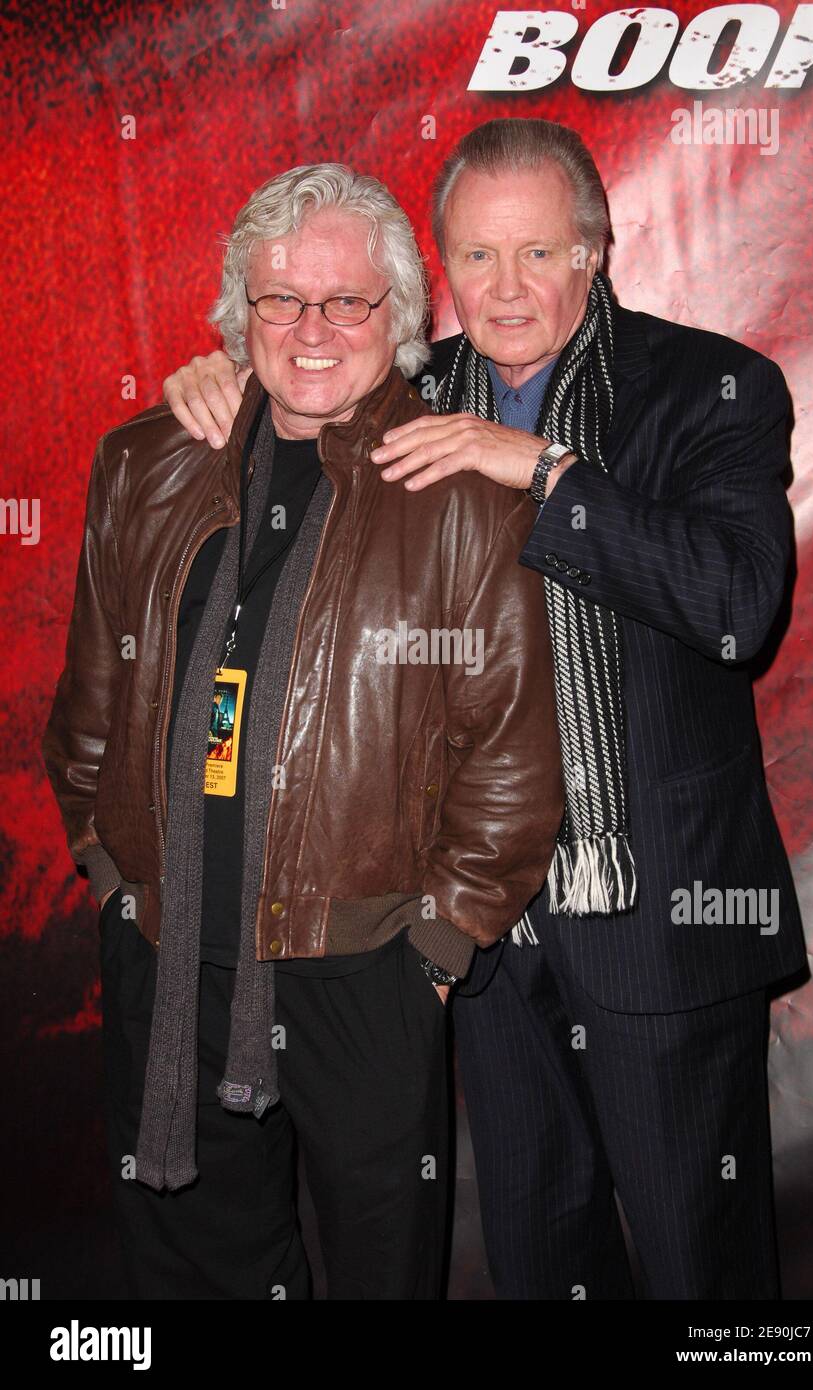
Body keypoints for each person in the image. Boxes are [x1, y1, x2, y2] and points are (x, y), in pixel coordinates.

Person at [163, 118, 809, 1301]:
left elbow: (738, 602)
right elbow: (288, 405)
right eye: (475, 258)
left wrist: (548, 476)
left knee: (696, 1264)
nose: (505, 290)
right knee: (536, 1247)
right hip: (479, 930)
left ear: (597, 251)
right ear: (440, 267)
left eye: (540, 255)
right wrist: (216, 381)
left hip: (655, 902)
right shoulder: (407, 400)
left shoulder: (709, 386)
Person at [41, 161, 564, 1300]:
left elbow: (512, 762)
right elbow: (89, 697)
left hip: (362, 966)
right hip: (169, 946)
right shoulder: (149, 460)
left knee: (381, 1270)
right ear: (243, 313)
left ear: (402, 315)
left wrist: (434, 949)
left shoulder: (461, 488)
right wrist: (111, 873)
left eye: (347, 301)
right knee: (196, 1265)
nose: (312, 329)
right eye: (281, 298)